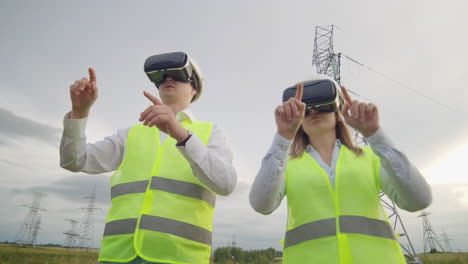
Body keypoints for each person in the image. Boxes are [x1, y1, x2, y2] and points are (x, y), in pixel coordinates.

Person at [60, 52, 237, 264]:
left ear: (194, 88)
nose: (168, 79)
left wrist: (181, 134)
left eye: (178, 75)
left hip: (179, 258)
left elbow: (226, 184)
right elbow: (73, 161)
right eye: (162, 77)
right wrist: (79, 113)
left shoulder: (211, 133)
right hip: (118, 256)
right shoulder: (130, 134)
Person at [249, 76, 432, 264]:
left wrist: (375, 135)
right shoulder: (284, 164)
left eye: (323, 105)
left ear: (338, 112)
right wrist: (283, 137)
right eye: (304, 108)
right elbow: (261, 204)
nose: (313, 111)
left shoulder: (370, 156)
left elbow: (419, 200)